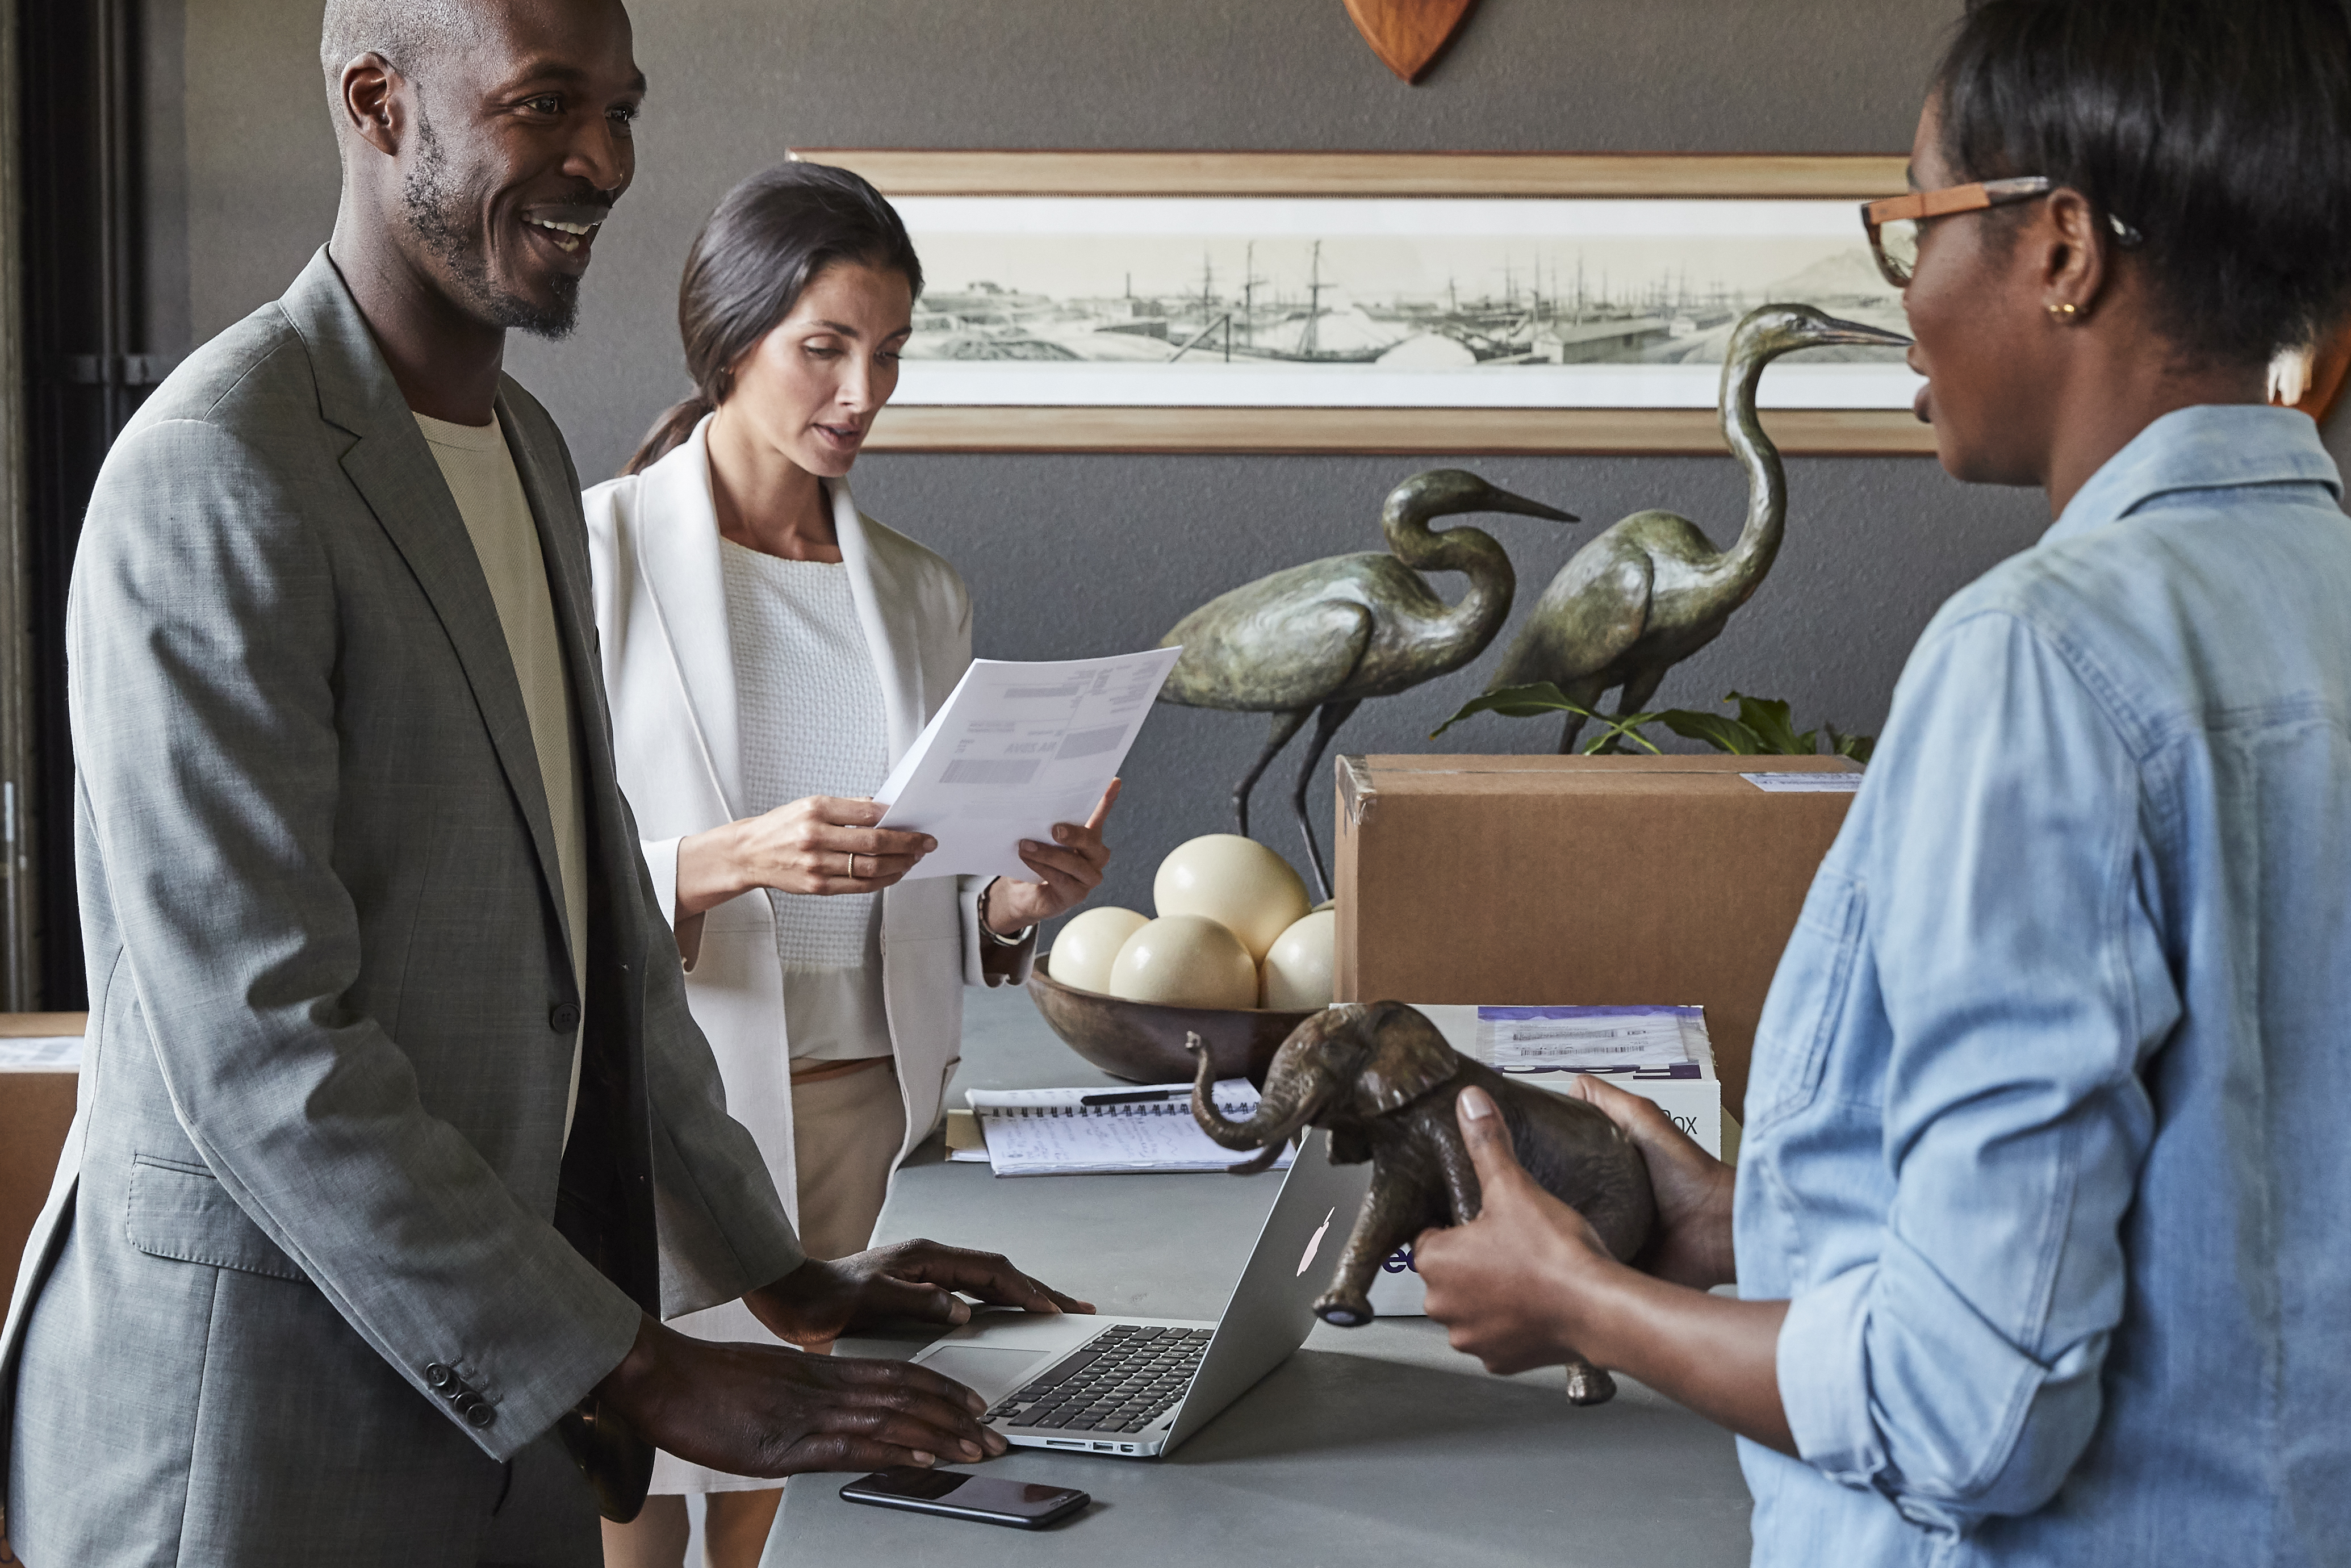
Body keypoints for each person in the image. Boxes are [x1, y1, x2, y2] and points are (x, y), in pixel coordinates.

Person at [0, 2, 1089, 1564]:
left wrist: (786, 1278)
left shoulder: (513, 443)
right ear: (380, 104)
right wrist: (644, 1364)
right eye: (546, 104)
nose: (603, 159)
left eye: (623, 109)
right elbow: (259, 1049)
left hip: (511, 1408)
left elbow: (605, 957)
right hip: (256, 1431)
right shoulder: (216, 470)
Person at [1415, 1, 2351, 1562]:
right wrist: (1737, 1226)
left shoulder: (2040, 658)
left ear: (2058, 249)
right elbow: (2244, 1207)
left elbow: (1962, 1412)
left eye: (1907, 227)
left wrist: (1586, 1300)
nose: (1905, 299)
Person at [582, 164, 1117, 1566]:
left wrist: (1012, 906)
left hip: (872, 1118)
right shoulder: (593, 552)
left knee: (811, 1516)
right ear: (731, 340)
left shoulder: (923, 589)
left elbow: (938, 891)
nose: (864, 391)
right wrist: (724, 858)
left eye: (889, 355)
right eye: (826, 347)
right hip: (670, 1110)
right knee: (637, 1506)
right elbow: (531, 866)